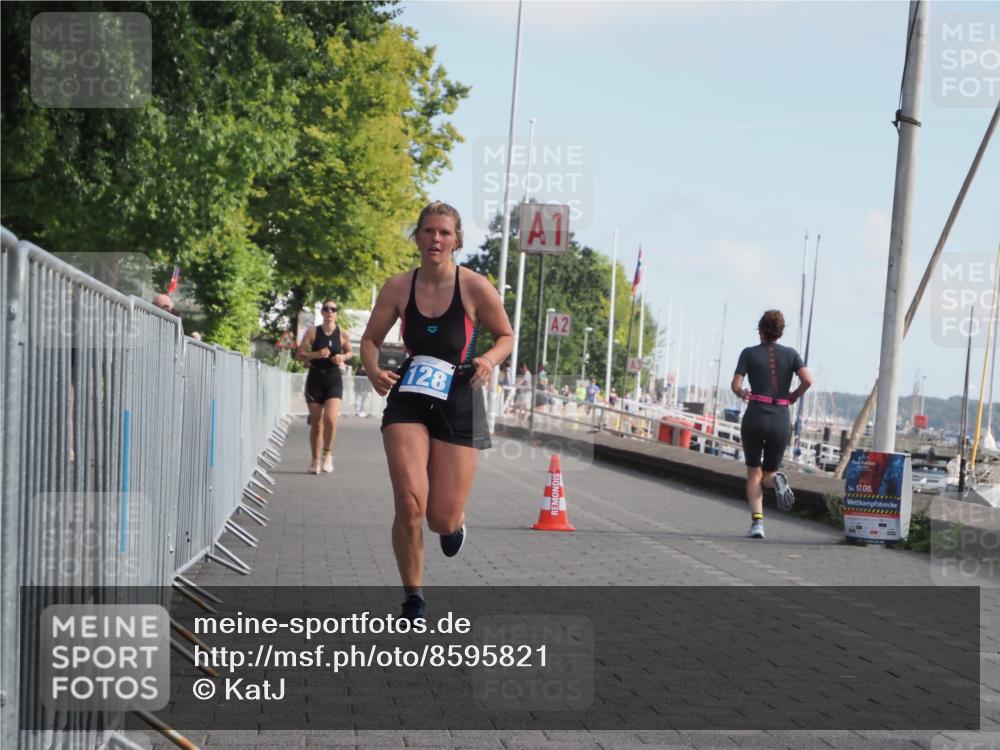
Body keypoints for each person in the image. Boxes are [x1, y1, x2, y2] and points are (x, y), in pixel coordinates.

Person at [361, 202, 513, 621]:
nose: (435, 239)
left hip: (459, 396)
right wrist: (373, 370)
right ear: (418, 237)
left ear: (457, 240)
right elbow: (370, 340)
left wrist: (488, 360)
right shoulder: (397, 287)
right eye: (428, 231)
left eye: (444, 233)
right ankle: (413, 598)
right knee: (410, 502)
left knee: (440, 519)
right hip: (409, 395)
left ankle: (455, 521)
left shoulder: (475, 287)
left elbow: (505, 335)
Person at [731, 309, 813, 539]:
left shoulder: (748, 353)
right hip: (780, 417)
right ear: (780, 332)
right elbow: (808, 379)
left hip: (755, 415)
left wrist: (741, 393)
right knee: (769, 474)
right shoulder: (791, 354)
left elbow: (735, 384)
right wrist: (794, 394)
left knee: (753, 474)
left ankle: (758, 524)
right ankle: (777, 479)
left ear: (760, 330)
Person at [297, 300, 351, 474]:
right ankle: (315, 461)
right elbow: (299, 355)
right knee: (317, 423)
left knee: (330, 419)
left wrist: (342, 357)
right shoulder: (313, 332)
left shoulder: (342, 333)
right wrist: (316, 354)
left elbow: (350, 352)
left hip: (333, 380)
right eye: (326, 309)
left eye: (333, 309)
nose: (329, 312)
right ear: (322, 312)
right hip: (315, 381)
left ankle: (327, 455)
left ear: (336, 313)